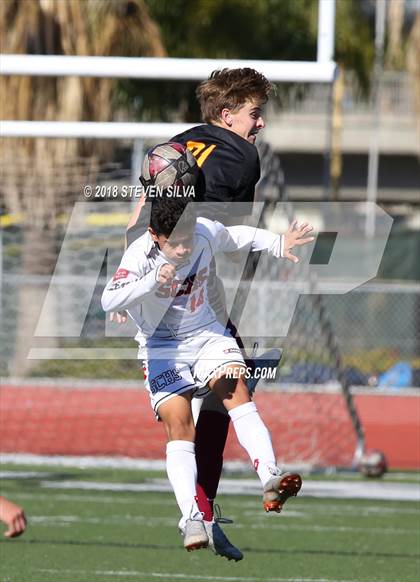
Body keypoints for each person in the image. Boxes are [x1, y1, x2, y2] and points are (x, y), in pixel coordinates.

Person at [115, 68, 286, 561]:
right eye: (254, 114)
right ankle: (205, 511)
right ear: (226, 114)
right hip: (190, 301)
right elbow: (227, 245)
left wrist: (131, 285)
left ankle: (203, 512)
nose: (260, 125)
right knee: (228, 394)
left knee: (198, 407)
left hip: (146, 284)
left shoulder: (177, 143)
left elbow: (139, 215)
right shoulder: (242, 156)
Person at [102, 197, 314, 552]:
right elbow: (110, 300)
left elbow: (235, 236)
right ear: (155, 236)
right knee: (179, 424)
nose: (185, 247)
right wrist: (152, 280)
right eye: (176, 242)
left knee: (236, 392)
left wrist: (278, 242)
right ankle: (191, 518)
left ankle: (270, 476)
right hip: (161, 348)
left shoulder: (201, 230)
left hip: (207, 336)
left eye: (187, 238)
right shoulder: (140, 254)